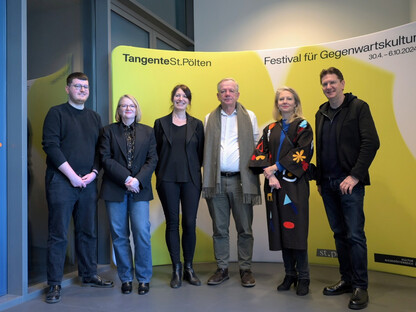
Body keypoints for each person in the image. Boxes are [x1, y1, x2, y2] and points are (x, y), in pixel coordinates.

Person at [42, 72, 113, 304]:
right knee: (58, 234)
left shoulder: (94, 117)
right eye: (77, 86)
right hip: (62, 182)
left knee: (87, 232)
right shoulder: (56, 113)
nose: (83, 90)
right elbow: (51, 146)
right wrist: (72, 176)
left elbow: (99, 150)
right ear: (67, 89)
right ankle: (54, 284)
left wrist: (93, 173)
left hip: (87, 183)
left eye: (86, 86)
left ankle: (89, 274)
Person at [315, 67, 379, 310]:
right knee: (339, 234)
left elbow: (372, 142)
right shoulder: (320, 113)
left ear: (342, 83)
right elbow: (320, 149)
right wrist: (320, 180)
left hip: (349, 185)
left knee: (354, 235)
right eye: (324, 84)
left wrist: (354, 176)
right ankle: (346, 280)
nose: (328, 87)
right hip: (328, 185)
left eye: (332, 82)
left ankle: (361, 286)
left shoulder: (358, 107)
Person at [253, 87, 314, 296]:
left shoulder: (303, 126)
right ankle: (290, 274)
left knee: (296, 230)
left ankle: (304, 277)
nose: (285, 102)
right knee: (280, 228)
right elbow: (260, 152)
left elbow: (303, 154)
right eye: (281, 99)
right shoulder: (270, 128)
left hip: (294, 185)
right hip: (273, 186)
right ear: (277, 104)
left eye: (289, 98)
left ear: (296, 103)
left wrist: (277, 168)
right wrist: (270, 176)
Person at [203, 78, 261, 287]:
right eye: (223, 91)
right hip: (216, 181)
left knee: (245, 228)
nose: (227, 94)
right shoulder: (209, 117)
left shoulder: (250, 116)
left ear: (238, 94)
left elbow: (256, 147)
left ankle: (245, 269)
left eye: (231, 90)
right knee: (220, 229)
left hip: (241, 182)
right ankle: (223, 268)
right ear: (218, 95)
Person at [99, 95, 157, 295]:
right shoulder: (108, 131)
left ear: (136, 108)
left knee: (141, 232)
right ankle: (125, 278)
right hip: (115, 188)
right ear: (119, 110)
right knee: (119, 236)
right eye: (123, 105)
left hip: (139, 190)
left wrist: (137, 181)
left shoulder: (148, 132)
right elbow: (105, 159)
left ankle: (143, 278)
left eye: (131, 105)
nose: (127, 108)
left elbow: (152, 159)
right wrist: (126, 179)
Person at [154, 85, 204, 288]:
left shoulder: (198, 124)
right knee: (172, 223)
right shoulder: (160, 123)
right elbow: (155, 153)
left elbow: (200, 154)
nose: (180, 99)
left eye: (184, 96)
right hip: (167, 179)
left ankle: (189, 268)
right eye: (177, 95)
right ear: (172, 98)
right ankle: (176, 268)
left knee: (190, 223)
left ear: (189, 101)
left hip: (191, 180)